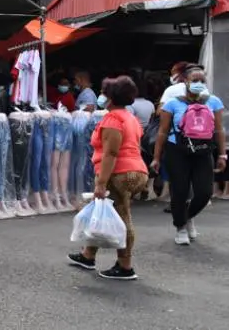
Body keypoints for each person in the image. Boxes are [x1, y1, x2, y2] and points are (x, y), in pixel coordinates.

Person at [68, 76, 149, 280]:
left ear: (111, 97)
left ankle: (125, 266)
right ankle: (88, 255)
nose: (102, 97)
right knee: (101, 210)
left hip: (120, 172)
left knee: (122, 215)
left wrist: (101, 182)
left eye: (104, 93)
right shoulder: (130, 117)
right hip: (137, 170)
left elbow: (110, 153)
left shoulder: (112, 119)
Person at [151, 64, 226, 245]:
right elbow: (162, 131)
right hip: (177, 151)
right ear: (185, 81)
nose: (199, 84)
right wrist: (156, 157)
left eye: (202, 81)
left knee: (204, 192)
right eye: (195, 80)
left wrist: (222, 155)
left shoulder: (213, 101)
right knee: (180, 191)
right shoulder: (173, 103)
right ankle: (180, 227)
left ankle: (187, 217)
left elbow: (218, 130)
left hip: (203, 151)